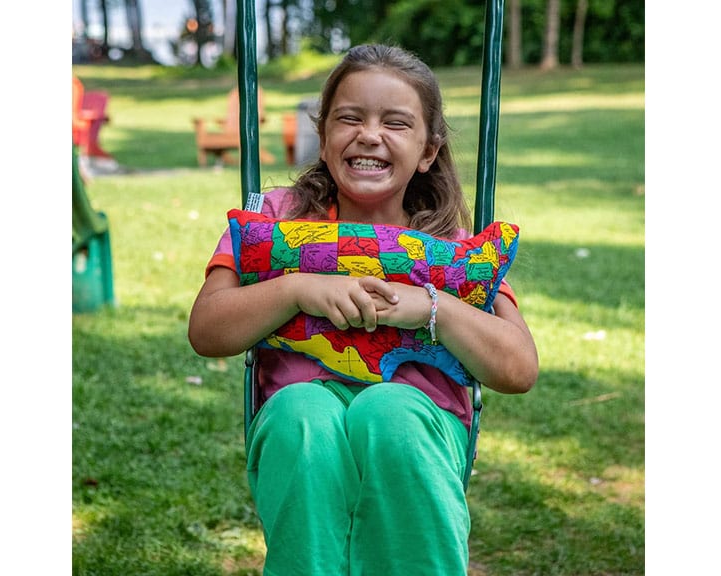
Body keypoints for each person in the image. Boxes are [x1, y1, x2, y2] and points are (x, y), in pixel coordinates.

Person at [188, 44, 538, 575]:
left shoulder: (451, 247)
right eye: (349, 118)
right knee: (302, 413)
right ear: (324, 134)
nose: (369, 135)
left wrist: (432, 306)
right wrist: (297, 289)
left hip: (418, 418)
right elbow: (207, 330)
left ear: (428, 150)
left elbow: (518, 368)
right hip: (299, 412)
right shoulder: (277, 224)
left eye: (396, 123)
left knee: (389, 415)